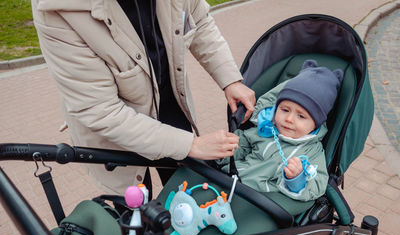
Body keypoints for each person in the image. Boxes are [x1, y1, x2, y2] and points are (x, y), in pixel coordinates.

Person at [31, 0, 255, 195]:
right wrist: (192, 145)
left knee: (187, 189)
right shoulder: (57, 8)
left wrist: (230, 79)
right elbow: (101, 110)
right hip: (113, 136)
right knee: (135, 210)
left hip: (169, 106)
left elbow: (199, 19)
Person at [219, 59, 343, 201]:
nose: (289, 119)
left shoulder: (312, 152)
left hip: (261, 200)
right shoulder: (265, 130)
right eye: (284, 110)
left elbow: (318, 184)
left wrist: (296, 179)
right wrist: (224, 151)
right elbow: (240, 146)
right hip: (230, 182)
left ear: (316, 124)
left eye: (301, 116)